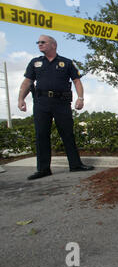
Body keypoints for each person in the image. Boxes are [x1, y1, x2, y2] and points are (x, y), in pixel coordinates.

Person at [18, 35, 94, 180]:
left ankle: (75, 165)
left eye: (43, 42)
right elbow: (27, 82)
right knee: (41, 135)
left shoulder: (66, 63)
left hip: (61, 103)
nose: (39, 44)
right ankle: (43, 169)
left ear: (53, 45)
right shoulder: (35, 63)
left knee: (67, 134)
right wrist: (21, 98)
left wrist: (80, 98)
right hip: (41, 103)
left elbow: (77, 81)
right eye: (38, 42)